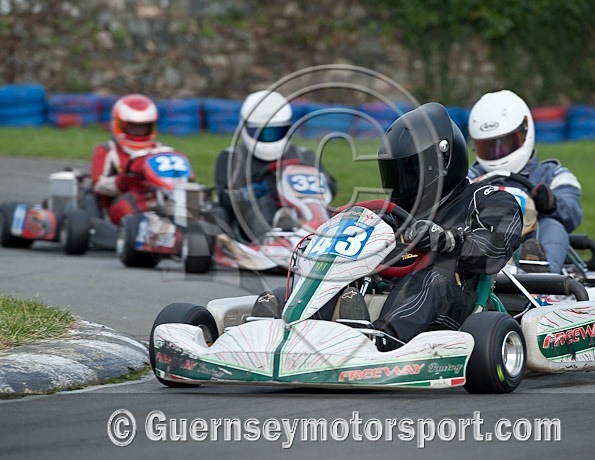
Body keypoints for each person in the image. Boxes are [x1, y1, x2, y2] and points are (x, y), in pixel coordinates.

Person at [251, 102, 523, 351]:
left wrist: (447, 240)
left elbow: (496, 247)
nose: (402, 182)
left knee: (430, 279)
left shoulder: (487, 199)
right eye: (396, 173)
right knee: (334, 279)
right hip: (385, 290)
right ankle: (285, 334)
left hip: (455, 301)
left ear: (440, 164)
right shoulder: (392, 214)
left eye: (410, 172)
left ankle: (378, 342)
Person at [467, 89, 582, 273]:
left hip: (529, 240)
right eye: (488, 147)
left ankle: (543, 276)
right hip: (483, 239)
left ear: (525, 131)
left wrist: (552, 203)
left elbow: (573, 211)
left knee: (553, 226)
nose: (497, 153)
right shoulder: (471, 177)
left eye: (505, 143)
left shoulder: (552, 174)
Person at [213, 89, 336, 240]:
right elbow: (224, 200)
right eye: (260, 132)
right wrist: (256, 190)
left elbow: (331, 187)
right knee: (264, 203)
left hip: (302, 213)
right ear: (245, 127)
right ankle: (270, 240)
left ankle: (325, 237)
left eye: (276, 132)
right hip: (253, 222)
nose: (268, 138)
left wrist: (323, 185)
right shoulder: (231, 157)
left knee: (331, 210)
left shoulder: (304, 155)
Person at [91, 93, 168, 225]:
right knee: (129, 208)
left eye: (144, 126)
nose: (139, 130)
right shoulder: (108, 150)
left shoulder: (162, 150)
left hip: (158, 198)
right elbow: (98, 184)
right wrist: (124, 181)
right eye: (133, 126)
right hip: (122, 200)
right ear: (119, 125)